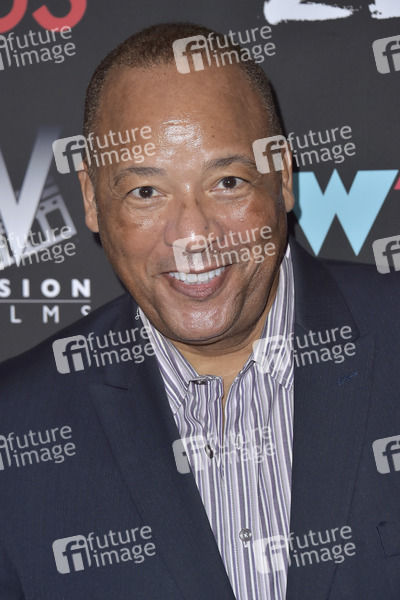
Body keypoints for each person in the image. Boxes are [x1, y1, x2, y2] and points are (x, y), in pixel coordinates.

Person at [0, 22, 399, 600]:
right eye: (145, 192)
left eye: (227, 182)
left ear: (283, 176)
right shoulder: (15, 427)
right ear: (91, 198)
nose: (192, 235)